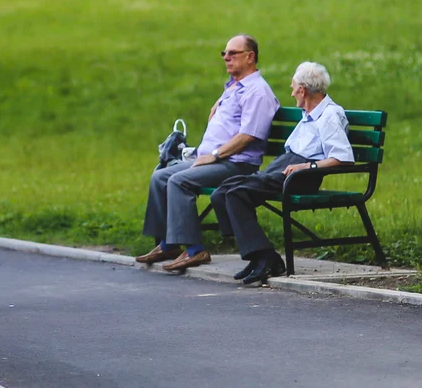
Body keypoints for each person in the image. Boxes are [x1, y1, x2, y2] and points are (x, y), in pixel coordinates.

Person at [135, 34, 280, 272]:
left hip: (236, 163)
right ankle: (168, 243)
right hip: (215, 159)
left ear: (250, 57)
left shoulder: (258, 92)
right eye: (224, 53)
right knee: (160, 175)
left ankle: (195, 250)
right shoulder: (235, 87)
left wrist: (214, 155)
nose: (226, 58)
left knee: (179, 181)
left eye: (233, 53)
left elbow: (249, 136)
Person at [210, 62, 354, 285]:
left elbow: (343, 157)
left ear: (302, 91)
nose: (291, 92)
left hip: (302, 175)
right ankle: (258, 255)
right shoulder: (309, 113)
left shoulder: (329, 115)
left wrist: (307, 167)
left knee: (237, 193)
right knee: (223, 191)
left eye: (293, 87)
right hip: (286, 167)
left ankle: (266, 257)